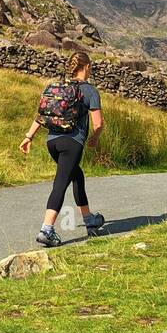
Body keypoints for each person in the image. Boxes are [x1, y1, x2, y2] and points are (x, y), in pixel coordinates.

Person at [19, 50, 105, 247]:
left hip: (53, 143)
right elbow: (98, 124)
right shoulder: (90, 91)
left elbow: (42, 115)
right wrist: (94, 138)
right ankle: (46, 230)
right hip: (71, 144)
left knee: (77, 176)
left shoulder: (58, 88)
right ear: (87, 67)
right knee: (61, 183)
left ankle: (89, 219)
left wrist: (28, 137)